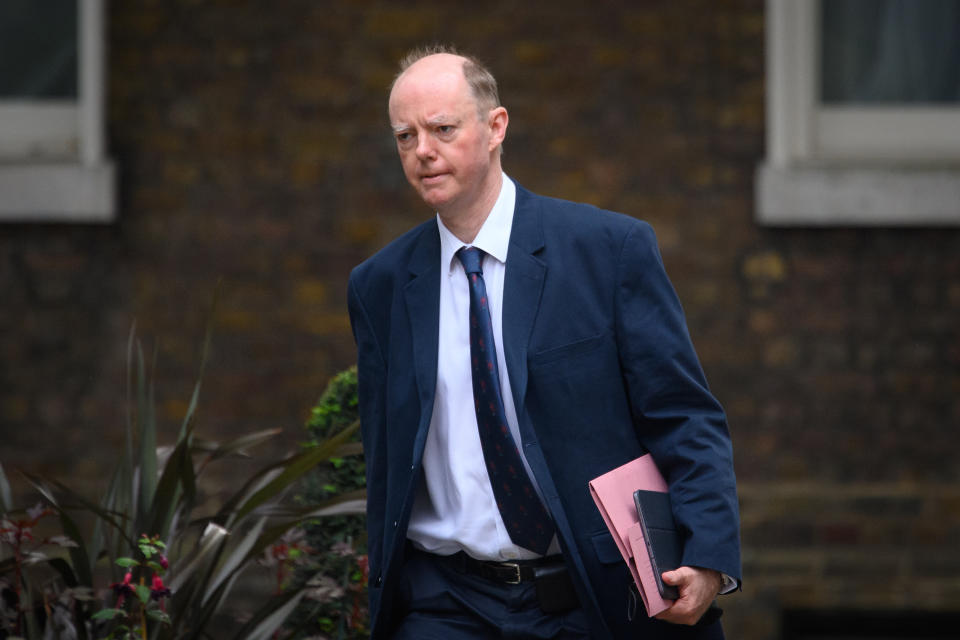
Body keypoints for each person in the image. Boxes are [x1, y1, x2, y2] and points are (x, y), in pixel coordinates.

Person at [347, 45, 741, 640]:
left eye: (442, 129)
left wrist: (709, 554)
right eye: (405, 136)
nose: (423, 150)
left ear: (496, 126)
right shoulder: (379, 287)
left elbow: (683, 416)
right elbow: (384, 460)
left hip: (589, 597)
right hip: (444, 603)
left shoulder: (608, 251)